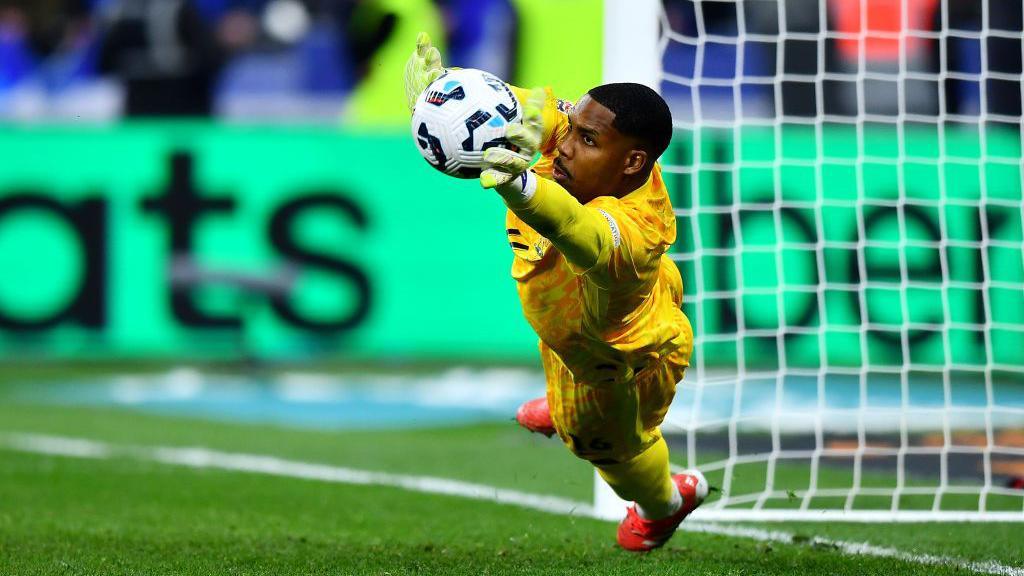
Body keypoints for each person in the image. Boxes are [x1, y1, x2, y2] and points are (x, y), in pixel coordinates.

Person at [404, 33, 707, 551]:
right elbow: (538, 108)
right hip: (581, 309)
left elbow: (578, 230)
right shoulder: (582, 138)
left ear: (633, 163)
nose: (565, 145)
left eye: (587, 141)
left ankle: (666, 504)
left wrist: (520, 186)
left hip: (618, 358)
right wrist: (445, 93)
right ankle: (565, 396)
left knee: (611, 449)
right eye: (575, 129)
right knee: (562, 323)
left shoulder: (632, 233)